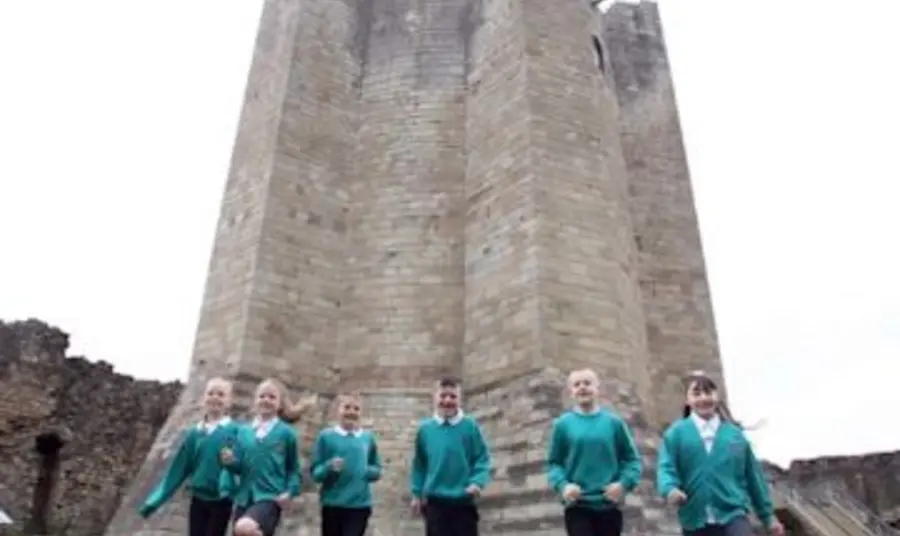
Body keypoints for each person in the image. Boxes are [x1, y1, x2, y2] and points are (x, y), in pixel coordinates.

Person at [656, 371, 785, 536]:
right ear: (687, 400)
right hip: (694, 518)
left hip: (733, 514)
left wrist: (768, 517)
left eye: (708, 392)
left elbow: (753, 477)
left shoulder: (735, 436)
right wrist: (670, 489)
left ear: (717, 396)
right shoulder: (676, 434)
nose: (703, 398)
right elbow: (666, 466)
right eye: (696, 393)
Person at [545, 368, 642, 536]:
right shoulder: (562, 425)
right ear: (571, 392)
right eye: (577, 384)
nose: (582, 387)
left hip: (609, 506)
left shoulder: (614, 423)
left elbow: (632, 460)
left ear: (597, 388)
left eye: (587, 383)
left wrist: (623, 484)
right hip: (578, 507)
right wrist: (564, 486)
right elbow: (554, 463)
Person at [139, 377, 239, 536]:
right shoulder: (194, 433)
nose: (215, 397)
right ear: (203, 398)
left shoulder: (235, 431)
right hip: (198, 497)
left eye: (220, 394)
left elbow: (245, 463)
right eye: (211, 393)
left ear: (229, 401)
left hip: (222, 499)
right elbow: (178, 469)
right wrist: (154, 501)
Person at [409, 377, 492, 536]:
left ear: (459, 399)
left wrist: (477, 482)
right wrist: (416, 493)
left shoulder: (470, 426)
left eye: (453, 396)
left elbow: (482, 458)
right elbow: (420, 465)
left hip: (463, 500)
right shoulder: (425, 430)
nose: (447, 400)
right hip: (435, 501)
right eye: (443, 396)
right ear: (435, 398)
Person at [223, 379, 304, 536]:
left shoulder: (286, 433)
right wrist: (229, 461)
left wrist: (290, 491)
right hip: (244, 498)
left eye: (272, 397)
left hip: (270, 497)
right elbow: (239, 467)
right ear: (255, 401)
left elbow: (293, 469)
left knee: (244, 527)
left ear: (280, 404)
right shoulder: (243, 432)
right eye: (262, 396)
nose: (266, 400)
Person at [311, 392, 382, 536]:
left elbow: (377, 469)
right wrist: (329, 467)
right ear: (337, 410)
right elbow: (315, 473)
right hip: (332, 504)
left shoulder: (367, 438)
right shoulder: (326, 437)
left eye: (356, 409)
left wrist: (366, 470)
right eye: (347, 407)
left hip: (359, 505)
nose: (351, 412)